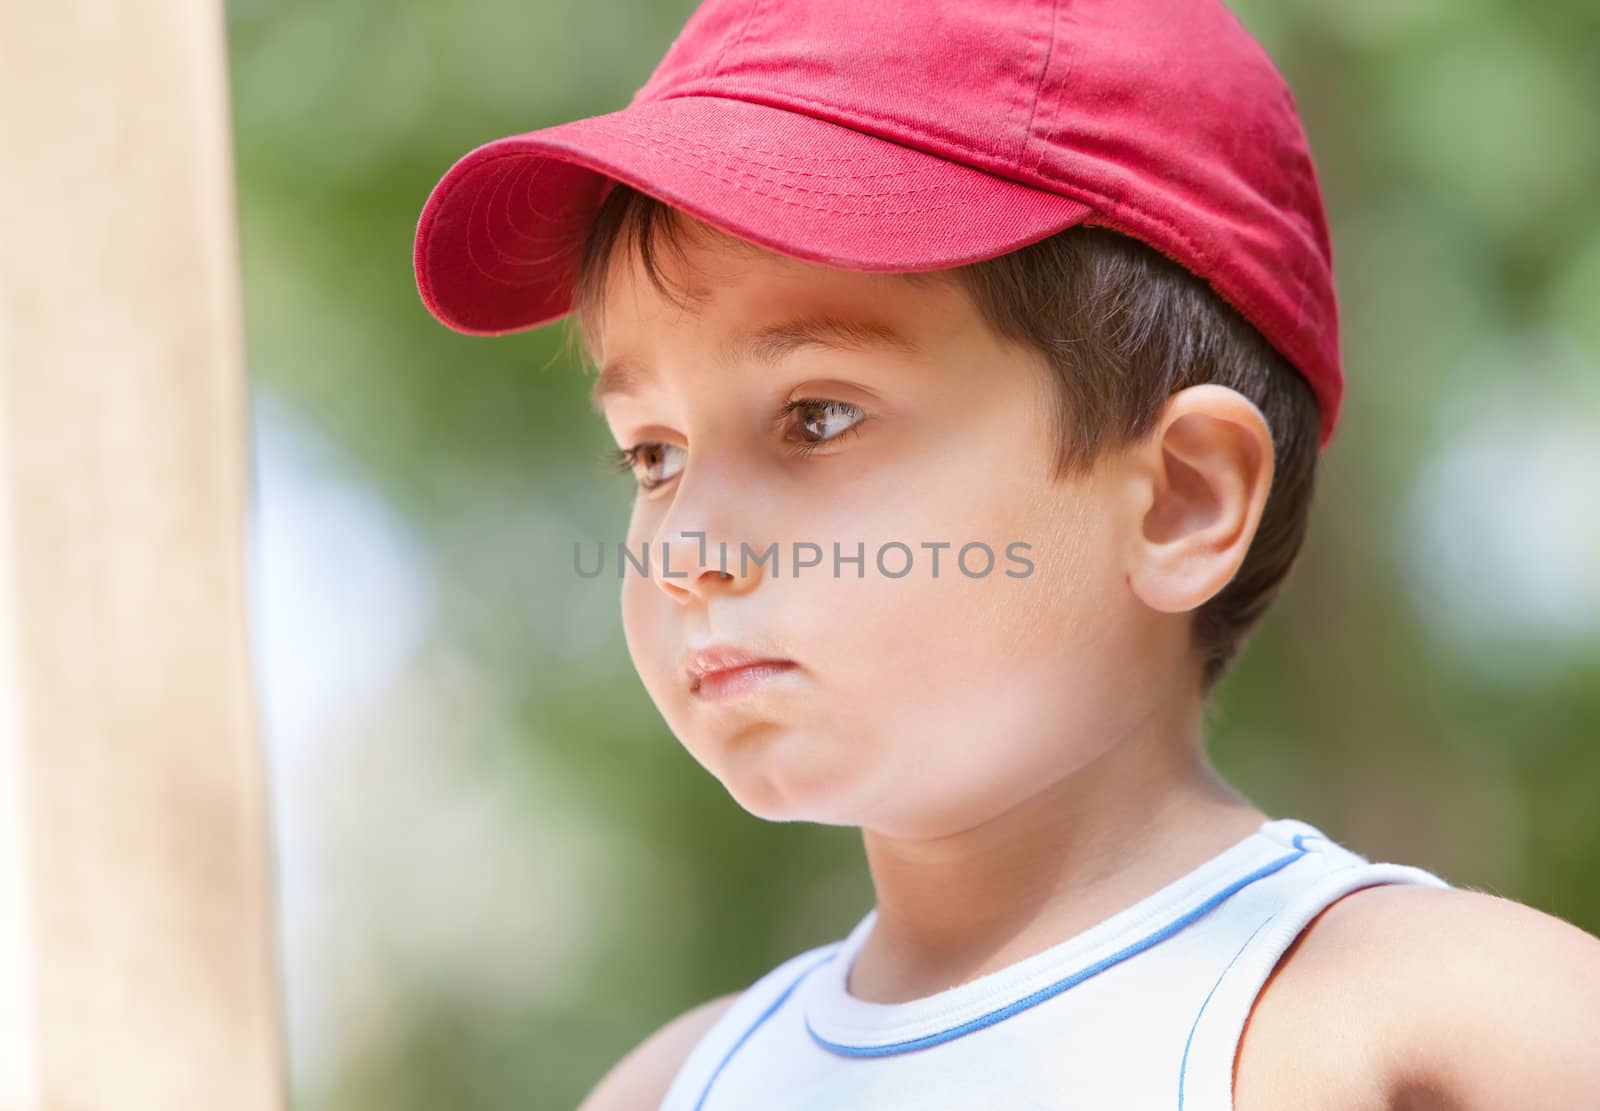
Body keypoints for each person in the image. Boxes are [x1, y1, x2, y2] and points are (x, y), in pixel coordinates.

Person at [411, 0, 1600, 1106]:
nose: (685, 548)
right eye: (652, 454)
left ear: (1181, 496)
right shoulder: (676, 1086)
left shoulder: (1433, 1027)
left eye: (816, 416)